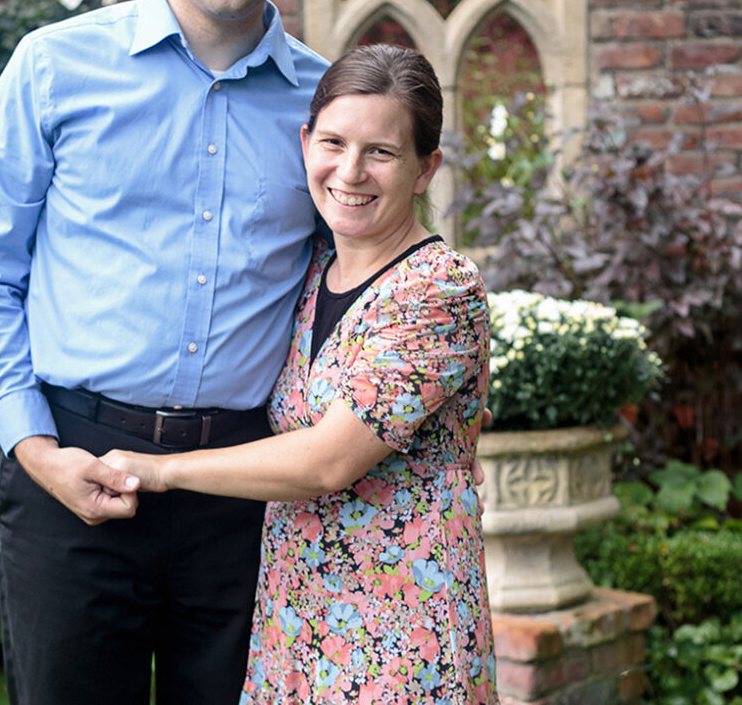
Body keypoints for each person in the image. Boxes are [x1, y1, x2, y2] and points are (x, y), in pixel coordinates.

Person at [0, 0, 329, 705]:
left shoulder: (324, 107)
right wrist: (34, 448)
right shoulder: (53, 67)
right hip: (71, 467)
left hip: (246, 493)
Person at [103, 44, 497, 704]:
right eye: (334, 142)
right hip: (299, 616)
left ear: (426, 169)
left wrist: (159, 467)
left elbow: (324, 463)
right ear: (306, 141)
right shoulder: (314, 269)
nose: (350, 171)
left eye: (382, 152)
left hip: (401, 626)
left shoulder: (437, 286)